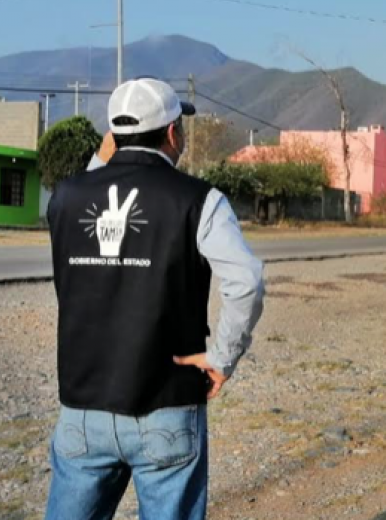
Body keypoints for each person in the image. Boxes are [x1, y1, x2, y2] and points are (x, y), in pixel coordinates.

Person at [44, 78, 265, 519]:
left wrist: (101, 157)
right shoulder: (200, 200)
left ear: (114, 135)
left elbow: (96, 187)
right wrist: (223, 357)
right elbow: (246, 281)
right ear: (171, 133)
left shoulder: (65, 198)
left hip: (81, 408)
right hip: (167, 406)